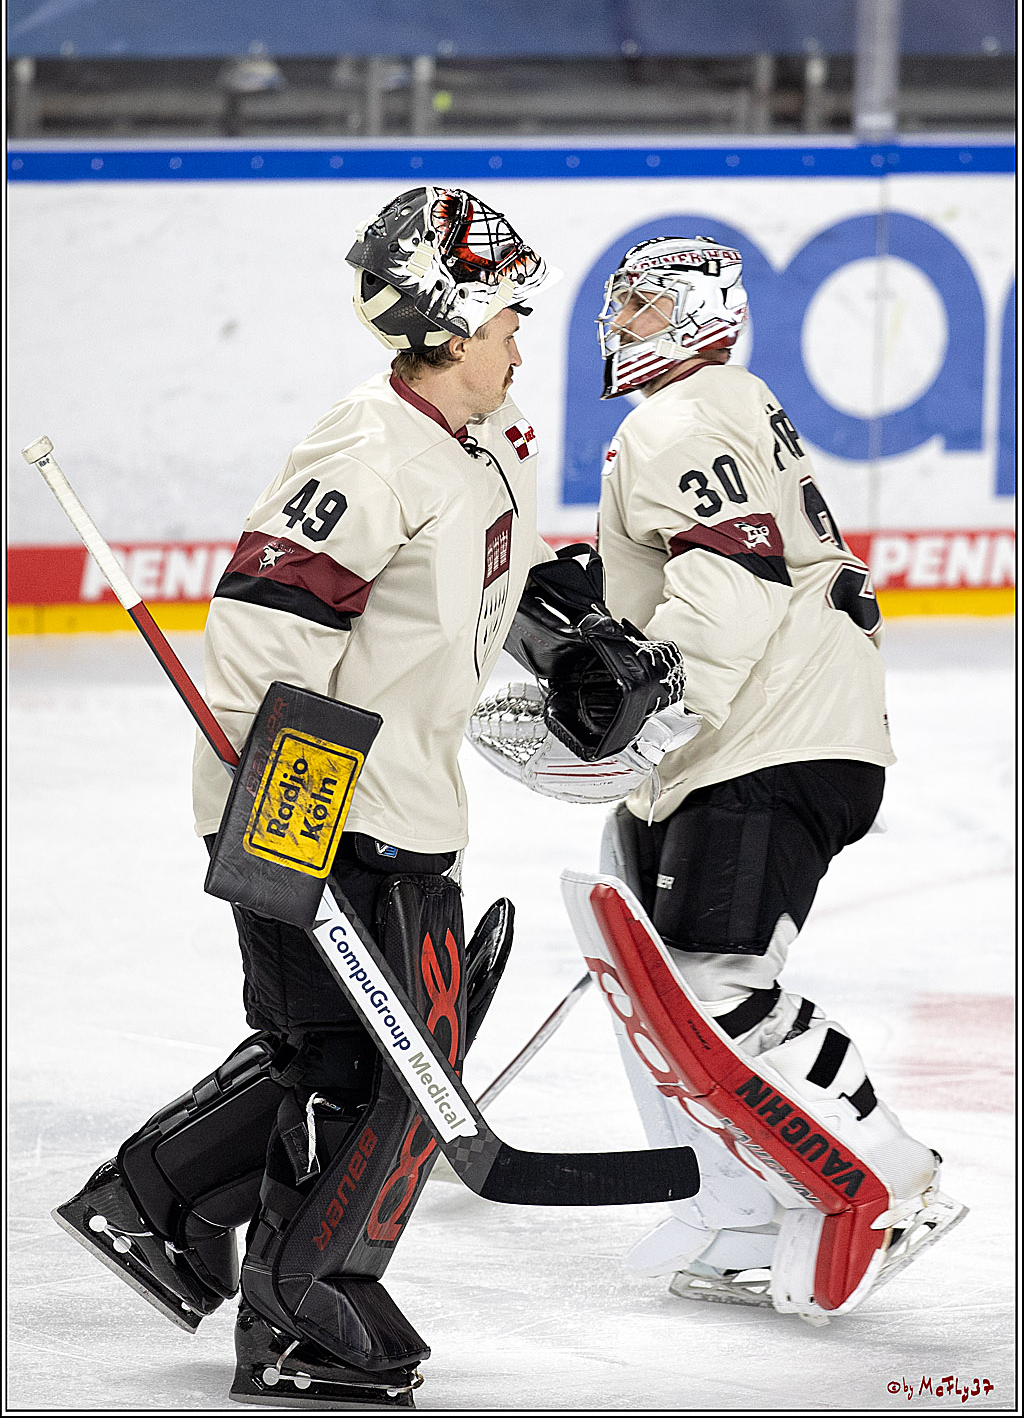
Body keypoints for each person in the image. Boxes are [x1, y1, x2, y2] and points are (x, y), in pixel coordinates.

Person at [52, 188, 688, 1409]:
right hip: (310, 807)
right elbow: (252, 652)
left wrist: (571, 641)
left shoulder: (490, 436)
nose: (521, 337)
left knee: (360, 1054)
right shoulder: (363, 454)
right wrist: (297, 838)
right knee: (355, 1070)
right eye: (506, 315)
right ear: (450, 326)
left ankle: (156, 1201)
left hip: (409, 798)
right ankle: (299, 1323)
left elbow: (499, 573)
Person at [585, 234, 965, 1318]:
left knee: (712, 979)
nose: (625, 326)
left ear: (702, 311)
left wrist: (647, 718)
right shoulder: (718, 404)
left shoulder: (682, 414)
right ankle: (745, 1207)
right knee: (674, 993)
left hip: (767, 739)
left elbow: (732, 590)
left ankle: (886, 1165)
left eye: (649, 308)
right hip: (761, 736)